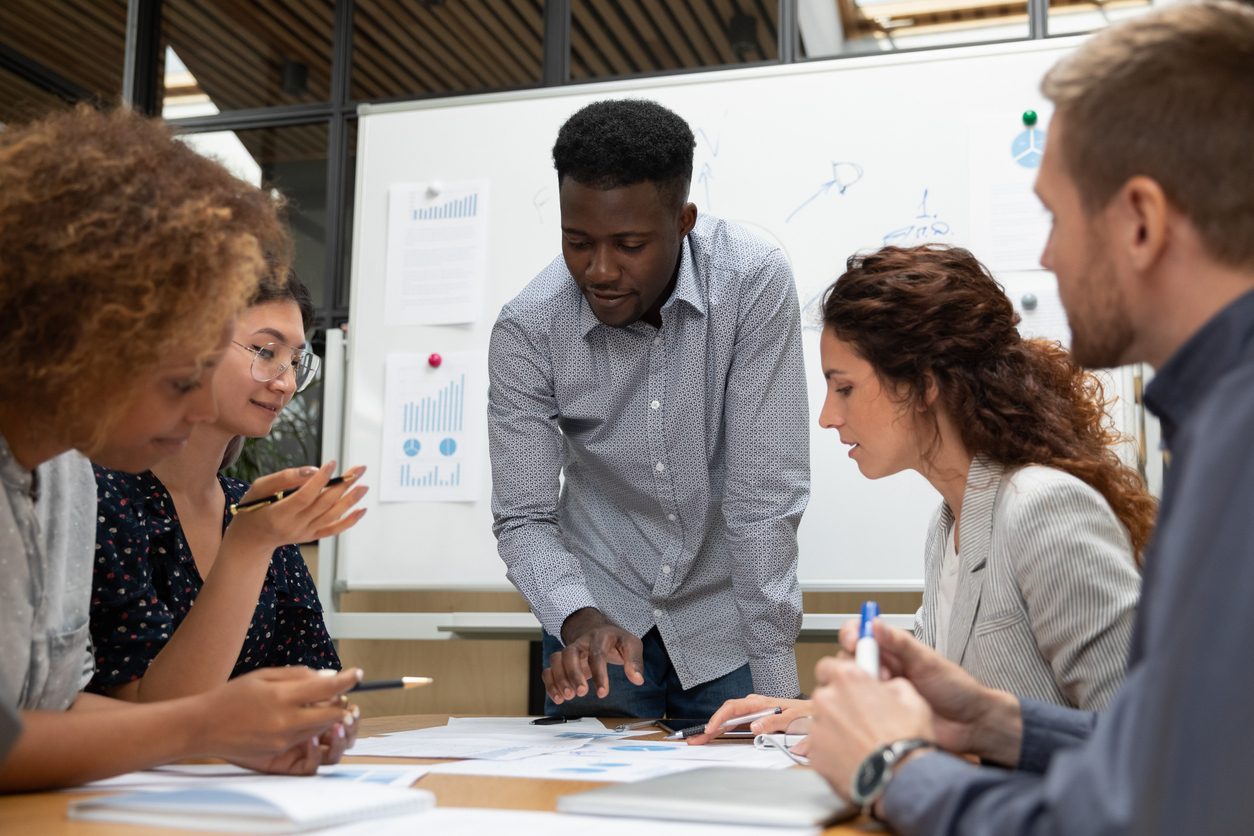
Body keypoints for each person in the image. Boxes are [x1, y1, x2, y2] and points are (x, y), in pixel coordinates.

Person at [801, 3, 1254, 832]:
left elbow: (1146, 815)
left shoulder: (1230, 449)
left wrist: (892, 769)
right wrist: (991, 721)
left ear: (1143, 221)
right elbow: (1158, 753)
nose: (1044, 256)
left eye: (1054, 216)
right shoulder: (1215, 425)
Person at [0, 105, 360, 792]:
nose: (200, 411)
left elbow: (53, 709)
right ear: (74, 346)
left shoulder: (69, 480)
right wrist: (200, 728)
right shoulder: (104, 489)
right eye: (179, 380)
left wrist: (230, 735)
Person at [691, 244, 1152, 742]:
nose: (826, 416)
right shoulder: (948, 524)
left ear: (924, 384)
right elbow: (934, 711)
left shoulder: (1042, 507)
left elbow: (1144, 744)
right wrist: (812, 712)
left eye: (843, 388)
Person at [488, 98, 810, 718]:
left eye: (630, 244)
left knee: (738, 806)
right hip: (597, 615)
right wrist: (578, 619)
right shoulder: (529, 327)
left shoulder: (751, 282)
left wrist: (773, 686)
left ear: (684, 219)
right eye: (577, 242)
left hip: (726, 624)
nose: (599, 270)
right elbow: (522, 517)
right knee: (588, 812)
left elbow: (763, 496)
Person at [88, 271, 367, 704]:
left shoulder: (252, 507)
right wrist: (249, 544)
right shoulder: (103, 494)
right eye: (265, 351)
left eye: (295, 361)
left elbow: (317, 682)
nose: (286, 383)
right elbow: (151, 714)